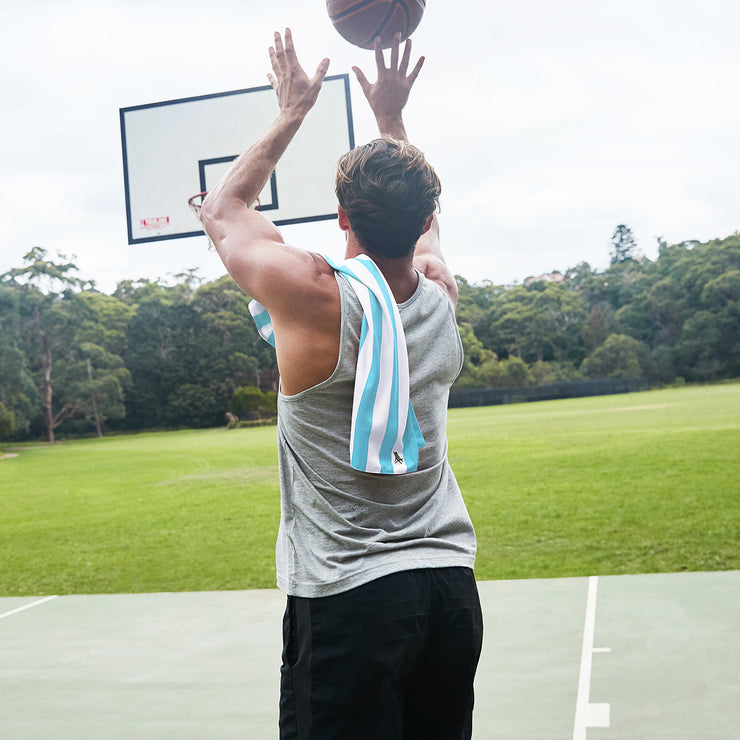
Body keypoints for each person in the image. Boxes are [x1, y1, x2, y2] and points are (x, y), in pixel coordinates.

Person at [201, 28, 483, 740]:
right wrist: (392, 122)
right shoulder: (442, 298)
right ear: (425, 222)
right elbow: (425, 240)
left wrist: (294, 108)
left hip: (349, 601)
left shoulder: (314, 296)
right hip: (448, 591)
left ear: (342, 219)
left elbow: (224, 211)